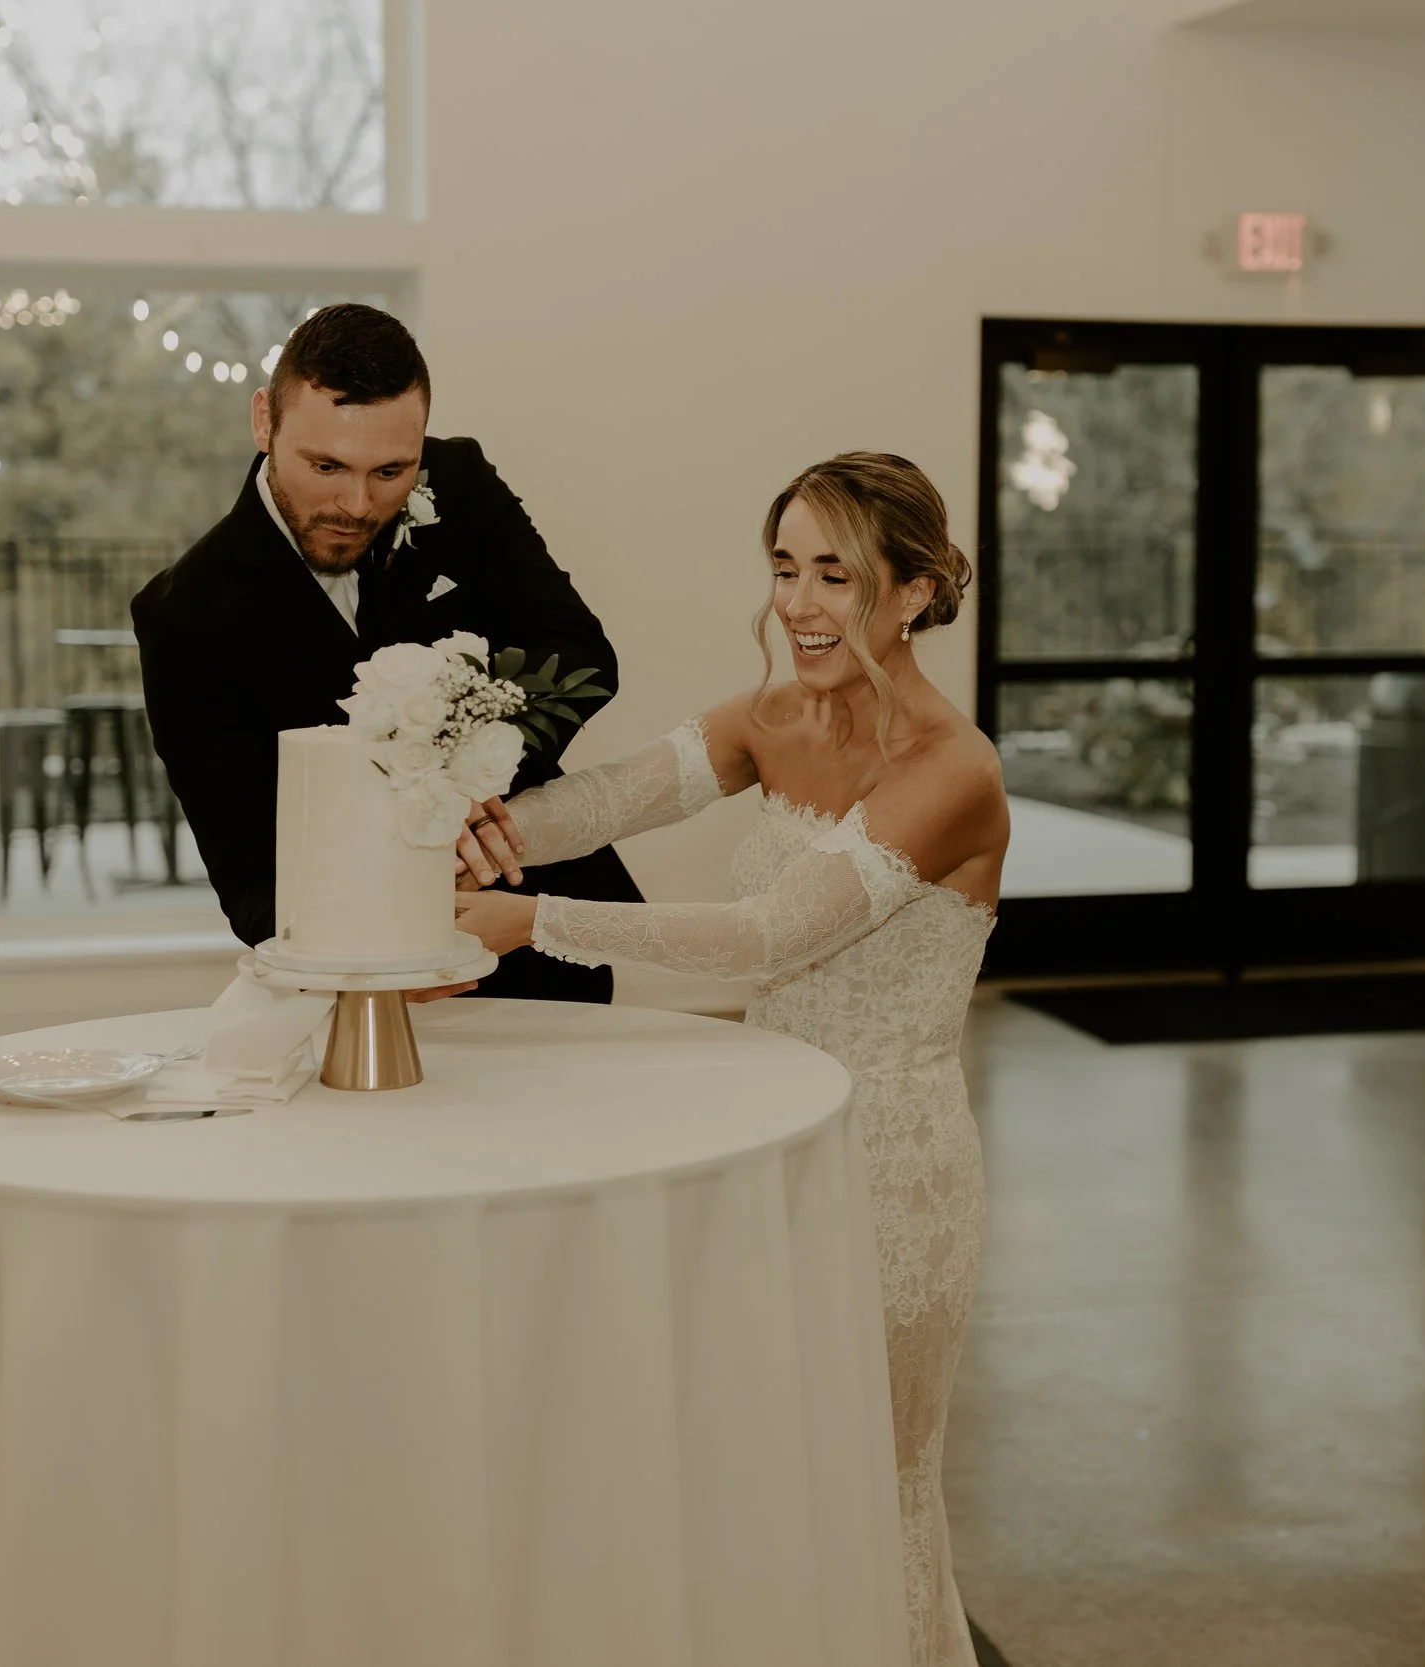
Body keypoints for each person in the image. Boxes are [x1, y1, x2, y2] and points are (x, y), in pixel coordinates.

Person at [453, 452, 1006, 1667]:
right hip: (776, 1147)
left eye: (837, 575)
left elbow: (769, 933)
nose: (800, 604)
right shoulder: (778, 717)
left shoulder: (951, 771)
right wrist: (467, 825)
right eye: (784, 568)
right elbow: (608, 800)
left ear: (913, 592)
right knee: (764, 1471)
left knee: (869, 1478)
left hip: (891, 1171)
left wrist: (528, 918)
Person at [130, 303, 641, 1001]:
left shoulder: (459, 483)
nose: (358, 503)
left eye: (391, 471)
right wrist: (395, 940)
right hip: (362, 980)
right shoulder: (185, 615)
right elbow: (248, 878)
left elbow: (581, 658)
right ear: (263, 421)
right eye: (326, 465)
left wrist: (472, 774)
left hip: (532, 926)